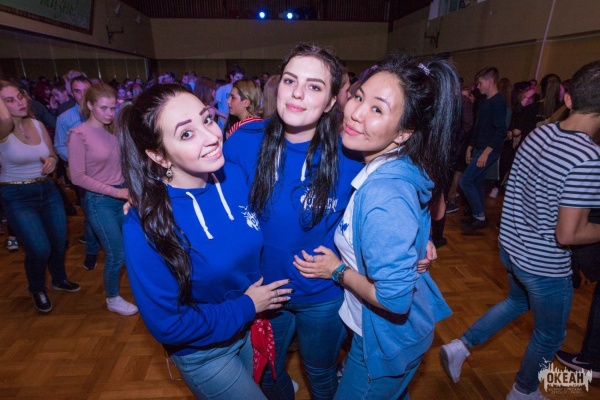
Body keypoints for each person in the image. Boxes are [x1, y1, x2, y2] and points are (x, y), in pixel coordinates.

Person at [225, 43, 438, 400]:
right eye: (290, 80)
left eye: (314, 86)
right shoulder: (243, 142)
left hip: (323, 294)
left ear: (330, 102)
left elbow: (407, 191)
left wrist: (419, 238)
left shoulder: (354, 151)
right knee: (268, 374)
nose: (297, 93)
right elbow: (208, 198)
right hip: (264, 293)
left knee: (320, 372)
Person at [293, 53, 457, 399]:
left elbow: (394, 299)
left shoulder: (383, 194)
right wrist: (420, 241)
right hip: (380, 331)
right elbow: (418, 206)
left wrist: (336, 270)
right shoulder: (400, 164)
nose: (355, 112)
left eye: (377, 109)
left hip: (386, 343)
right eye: (359, 96)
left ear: (404, 133)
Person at [119, 83, 292, 399]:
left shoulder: (234, 175)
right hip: (204, 352)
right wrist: (247, 306)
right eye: (186, 134)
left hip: (248, 327)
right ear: (158, 155)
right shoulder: (145, 225)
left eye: (207, 119)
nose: (212, 136)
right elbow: (168, 324)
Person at [440, 60, 600, 400]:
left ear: (568, 98)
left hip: (512, 248)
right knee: (551, 335)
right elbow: (568, 235)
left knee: (516, 302)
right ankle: (523, 391)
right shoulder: (588, 158)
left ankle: (461, 345)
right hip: (545, 265)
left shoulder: (541, 132)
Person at [0, 80, 80, 313]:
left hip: (47, 190)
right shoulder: (2, 131)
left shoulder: (36, 124)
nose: (20, 102)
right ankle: (36, 288)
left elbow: (52, 154)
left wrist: (52, 161)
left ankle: (59, 278)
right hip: (16, 195)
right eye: (9, 100)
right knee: (39, 248)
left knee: (58, 241)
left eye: (20, 96)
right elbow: (4, 120)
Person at [67, 83, 137, 316]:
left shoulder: (113, 130)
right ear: (89, 105)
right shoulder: (79, 134)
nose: (109, 113)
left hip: (123, 196)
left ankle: (138, 288)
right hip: (99, 201)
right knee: (117, 253)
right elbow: (77, 177)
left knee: (134, 246)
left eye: (112, 108)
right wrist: (116, 192)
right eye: (103, 108)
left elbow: (122, 165)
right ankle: (112, 298)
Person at [55, 76, 100, 270]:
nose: (81, 95)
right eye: (76, 91)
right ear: (71, 93)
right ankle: (91, 251)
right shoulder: (65, 118)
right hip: (84, 175)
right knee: (90, 214)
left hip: (106, 172)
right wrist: (77, 160)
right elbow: (59, 146)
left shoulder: (102, 113)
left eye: (85, 90)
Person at [460, 67, 507, 232]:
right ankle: (478, 216)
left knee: (465, 181)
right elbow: (478, 126)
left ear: (490, 81)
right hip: (480, 148)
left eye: (480, 83)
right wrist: (470, 147)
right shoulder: (484, 101)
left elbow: (501, 131)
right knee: (477, 182)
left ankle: (479, 216)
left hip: (489, 150)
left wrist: (486, 153)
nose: (478, 86)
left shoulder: (498, 102)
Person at [214, 64, 245, 130]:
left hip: (238, 124)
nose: (240, 80)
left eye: (241, 78)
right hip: (223, 125)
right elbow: (212, 107)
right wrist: (224, 115)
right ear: (231, 76)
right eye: (237, 77)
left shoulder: (243, 90)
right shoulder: (222, 89)